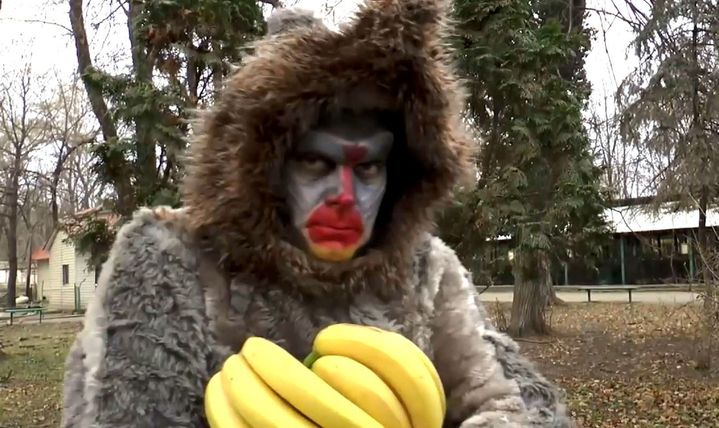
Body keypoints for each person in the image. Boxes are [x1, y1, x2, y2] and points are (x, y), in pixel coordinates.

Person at [61, 1, 572, 427]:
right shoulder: (171, 260)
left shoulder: (426, 272)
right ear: (265, 168)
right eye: (314, 162)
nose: (345, 195)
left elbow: (515, 404)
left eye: (368, 167)